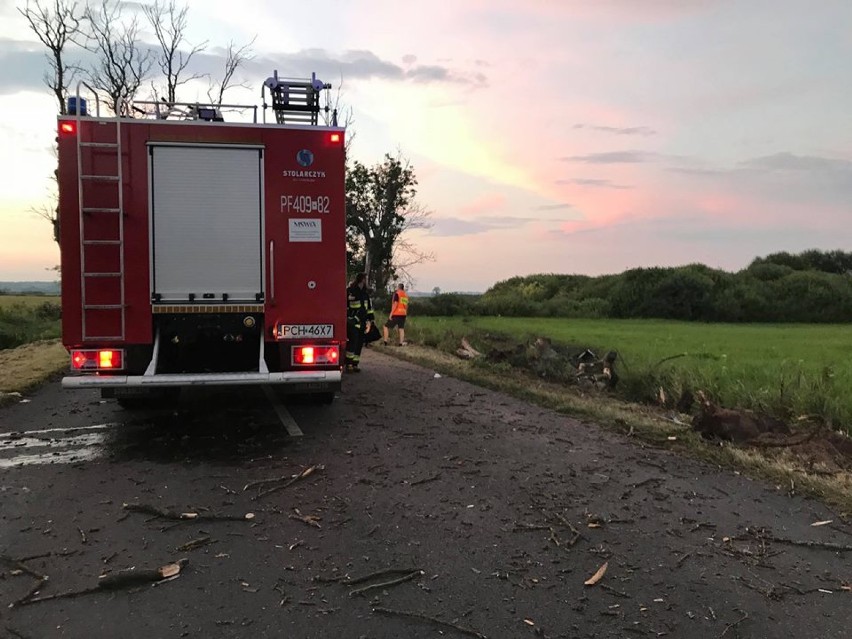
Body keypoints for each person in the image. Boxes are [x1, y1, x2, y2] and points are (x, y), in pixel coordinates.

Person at [345, 273, 374, 372]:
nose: (366, 281)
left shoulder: (365, 293)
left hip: (362, 323)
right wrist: (350, 318)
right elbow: (345, 306)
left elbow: (368, 308)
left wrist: (370, 320)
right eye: (366, 279)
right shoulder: (351, 291)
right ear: (362, 279)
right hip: (352, 322)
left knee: (359, 343)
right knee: (353, 342)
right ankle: (348, 364)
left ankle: (355, 364)